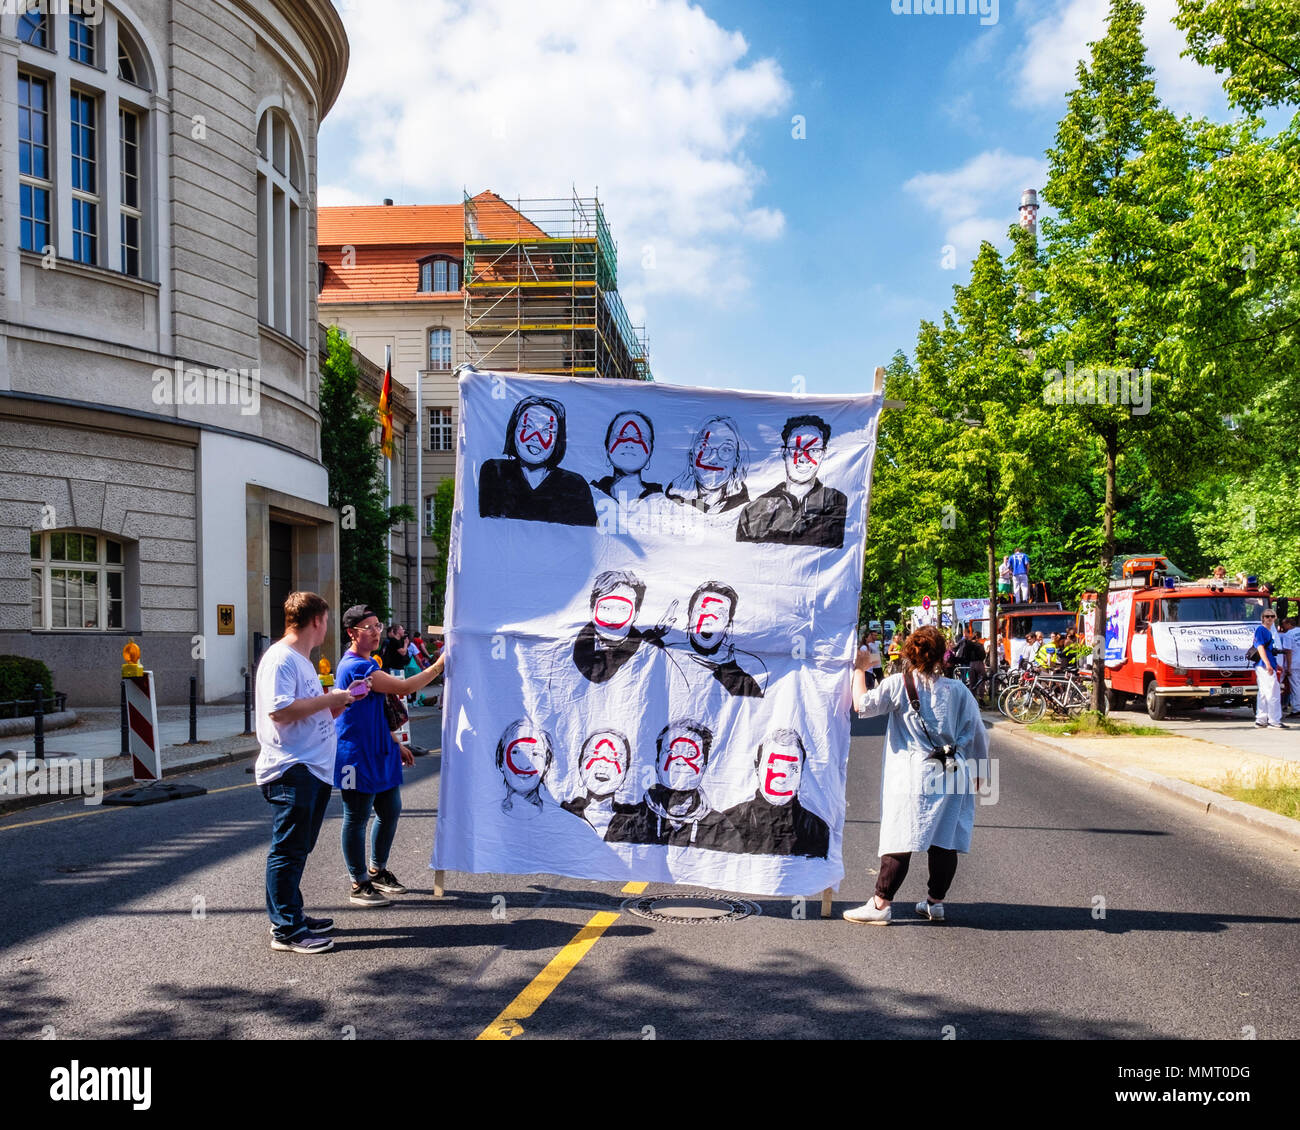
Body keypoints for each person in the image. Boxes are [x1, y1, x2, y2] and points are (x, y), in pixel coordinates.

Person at [843, 626, 988, 925]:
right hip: (952, 770)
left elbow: (862, 706)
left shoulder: (898, 684)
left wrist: (860, 670)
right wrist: (982, 772)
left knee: (901, 835)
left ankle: (881, 904)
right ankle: (935, 903)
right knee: (944, 839)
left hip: (913, 774)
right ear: (942, 654)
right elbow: (977, 733)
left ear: (909, 652)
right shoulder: (958, 690)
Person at [254, 591, 365, 954]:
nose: (327, 628)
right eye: (327, 621)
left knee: (299, 848)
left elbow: (308, 711)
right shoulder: (282, 659)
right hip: (292, 768)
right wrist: (331, 699)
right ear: (317, 620)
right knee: (287, 849)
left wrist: (340, 702)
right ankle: (286, 929)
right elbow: (280, 711)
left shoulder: (301, 659)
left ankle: (293, 915)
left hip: (311, 767)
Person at [334, 606, 447, 906]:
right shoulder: (356, 667)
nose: (375, 632)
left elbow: (374, 711)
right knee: (356, 818)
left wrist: (395, 742)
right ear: (351, 633)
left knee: (390, 810)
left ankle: (377, 869)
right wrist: (439, 665)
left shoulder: (371, 661)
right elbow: (405, 687)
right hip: (357, 753)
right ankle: (358, 882)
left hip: (380, 749)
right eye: (367, 627)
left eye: (378, 625)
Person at [604, 720, 734, 848]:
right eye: (672, 753)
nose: (681, 761)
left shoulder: (721, 829)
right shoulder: (628, 821)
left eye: (691, 754)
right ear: (657, 763)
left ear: (703, 767)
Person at [478, 395, 598, 526]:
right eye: (528, 426)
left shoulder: (574, 485)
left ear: (558, 439)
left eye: (547, 430)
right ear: (513, 429)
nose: (536, 437)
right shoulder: (495, 472)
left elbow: (586, 534)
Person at [735, 414, 848, 548]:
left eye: (813, 450)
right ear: (784, 453)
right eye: (796, 449)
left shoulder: (836, 502)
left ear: (823, 454)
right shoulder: (754, 510)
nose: (803, 458)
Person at [719, 729, 830, 858]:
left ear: (801, 772)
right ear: (757, 767)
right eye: (773, 765)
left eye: (793, 768)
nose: (782, 778)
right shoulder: (729, 823)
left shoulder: (816, 830)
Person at [665, 415, 750, 519]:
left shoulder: (746, 509)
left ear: (736, 461)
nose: (713, 459)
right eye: (703, 447)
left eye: (726, 450)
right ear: (691, 458)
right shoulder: (670, 499)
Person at [1251, 610, 1287, 729]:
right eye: (1267, 616)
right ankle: (1274, 720)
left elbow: (1268, 650)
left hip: (1265, 664)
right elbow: (1260, 647)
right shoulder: (1261, 630)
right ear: (1263, 618)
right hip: (1264, 665)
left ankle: (1261, 719)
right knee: (1273, 691)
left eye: (1272, 616)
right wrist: (1267, 663)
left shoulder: (1269, 631)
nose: (1270, 618)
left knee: (1263, 692)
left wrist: (1275, 664)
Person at [1281, 616, 1300, 717]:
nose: (1282, 626)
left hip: (1294, 663)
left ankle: (1297, 709)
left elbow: (1288, 652)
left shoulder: (1288, 635)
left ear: (1289, 624)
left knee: (1295, 687)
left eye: (1284, 624)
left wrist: (1288, 667)